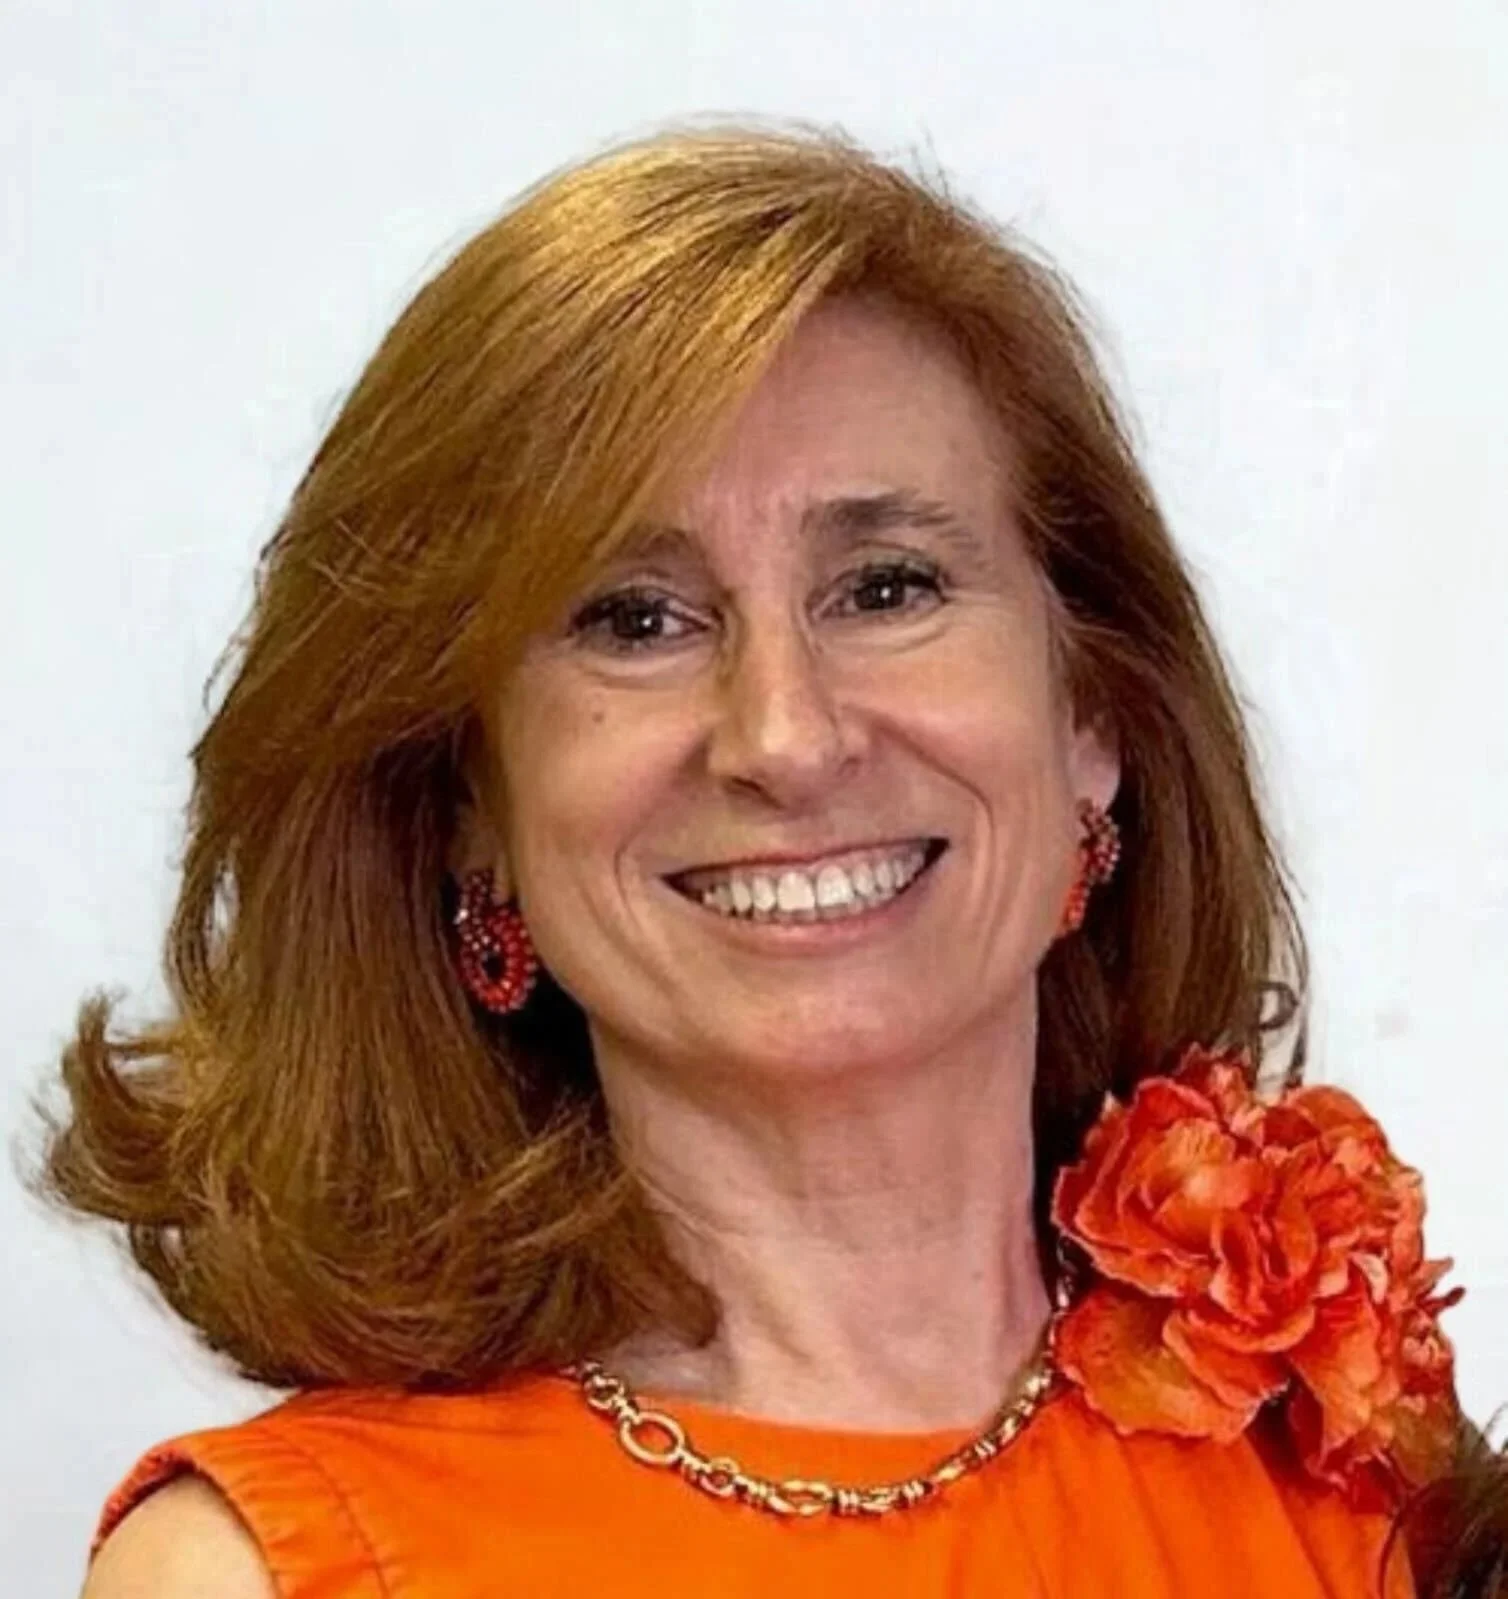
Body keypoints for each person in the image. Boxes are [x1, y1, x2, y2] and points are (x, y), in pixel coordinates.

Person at [33, 121, 1483, 1597]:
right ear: (465, 796)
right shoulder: (253, 1573)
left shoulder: (1372, 1496)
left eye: (887, 585)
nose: (784, 738)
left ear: (1094, 712)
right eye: (635, 619)